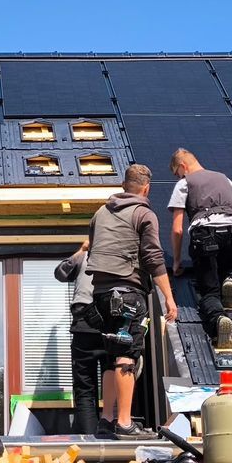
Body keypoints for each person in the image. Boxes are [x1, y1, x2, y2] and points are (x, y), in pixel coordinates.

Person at [83, 163, 179, 440]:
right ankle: (125, 423)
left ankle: (107, 420)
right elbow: (153, 258)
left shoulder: (100, 213)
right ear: (146, 188)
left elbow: (93, 249)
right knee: (127, 356)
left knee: (112, 356)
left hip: (100, 295)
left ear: (124, 185)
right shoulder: (143, 213)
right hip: (127, 292)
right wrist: (169, 299)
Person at [167, 148, 232, 354]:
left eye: (176, 172)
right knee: (230, 267)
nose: (177, 176)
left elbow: (177, 228)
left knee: (208, 291)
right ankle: (229, 279)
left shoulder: (184, 184)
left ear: (182, 166)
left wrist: (176, 261)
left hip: (204, 235)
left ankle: (218, 319)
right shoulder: (225, 179)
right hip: (231, 233)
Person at [54, 242, 116, 438]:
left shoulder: (86, 255)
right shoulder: (120, 252)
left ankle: (91, 439)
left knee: (85, 388)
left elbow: (60, 273)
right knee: (115, 379)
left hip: (84, 325)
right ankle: (111, 433)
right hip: (112, 324)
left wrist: (81, 250)